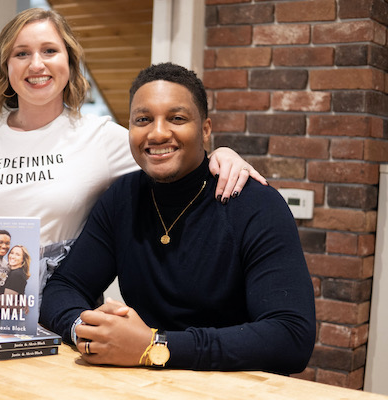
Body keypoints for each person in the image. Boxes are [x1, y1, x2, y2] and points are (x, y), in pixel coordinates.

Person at [0, 8, 267, 328]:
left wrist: (223, 153)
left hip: (63, 306)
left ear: (70, 62)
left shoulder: (101, 137)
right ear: (6, 66)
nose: (36, 64)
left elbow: (170, 150)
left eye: (49, 51)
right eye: (21, 53)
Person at [39, 63, 316, 374]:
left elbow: (291, 338)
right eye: (143, 119)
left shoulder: (255, 204)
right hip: (144, 385)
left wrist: (156, 346)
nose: (158, 132)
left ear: (206, 129)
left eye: (177, 118)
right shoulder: (123, 198)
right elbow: (62, 287)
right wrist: (87, 331)